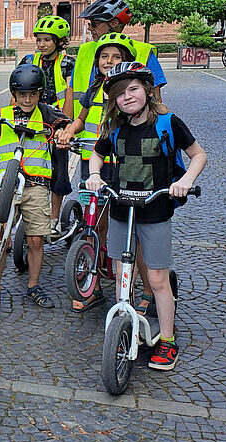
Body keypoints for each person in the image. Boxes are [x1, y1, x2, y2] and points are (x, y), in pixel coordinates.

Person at [85, 62, 206, 370]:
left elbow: (198, 155)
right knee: (122, 272)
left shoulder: (167, 122)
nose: (128, 97)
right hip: (121, 207)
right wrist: (95, 175)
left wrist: (184, 181)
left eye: (133, 89)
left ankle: (167, 340)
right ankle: (125, 324)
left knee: (156, 277)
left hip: (155, 208)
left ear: (147, 90)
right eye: (120, 93)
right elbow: (97, 154)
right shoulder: (114, 128)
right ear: (113, 99)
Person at [56, 32, 138, 312]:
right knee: (95, 225)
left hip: (124, 167)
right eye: (104, 56)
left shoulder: (130, 93)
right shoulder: (93, 89)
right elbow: (81, 119)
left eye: (116, 57)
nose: (109, 61)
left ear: (126, 60)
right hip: (93, 165)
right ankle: (95, 284)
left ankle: (131, 288)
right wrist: (68, 130)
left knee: (127, 226)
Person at [0, 64, 70, 311]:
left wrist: (63, 134)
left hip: (36, 187)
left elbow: (67, 126)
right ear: (14, 94)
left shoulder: (50, 116)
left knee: (36, 239)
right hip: (6, 186)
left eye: (32, 94)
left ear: (40, 94)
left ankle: (33, 285)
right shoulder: (3, 116)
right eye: (22, 95)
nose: (27, 99)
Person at [21, 16, 75, 234]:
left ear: (59, 42)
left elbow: (70, 94)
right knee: (28, 163)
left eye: (47, 40)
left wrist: (66, 126)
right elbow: (16, 87)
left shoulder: (68, 63)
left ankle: (53, 217)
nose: (42, 44)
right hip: (32, 114)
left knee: (58, 168)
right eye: (39, 40)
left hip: (56, 117)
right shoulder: (28, 59)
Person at [73, 0, 166, 104]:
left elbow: (156, 98)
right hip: (88, 120)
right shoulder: (84, 50)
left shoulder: (144, 51)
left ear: (113, 23)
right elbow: (72, 92)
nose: (89, 28)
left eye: (94, 23)